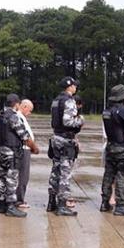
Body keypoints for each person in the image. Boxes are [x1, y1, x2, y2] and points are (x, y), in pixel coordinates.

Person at [0, 94, 39, 217]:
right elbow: (24, 136)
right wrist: (34, 148)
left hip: (1, 152)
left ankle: (2, 205)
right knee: (11, 180)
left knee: (2, 179)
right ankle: (11, 206)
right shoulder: (13, 117)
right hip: (12, 152)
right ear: (17, 104)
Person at [100, 85, 124, 216]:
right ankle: (120, 205)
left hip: (110, 145)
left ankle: (105, 202)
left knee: (108, 175)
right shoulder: (123, 110)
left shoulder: (106, 111)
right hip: (122, 147)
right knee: (122, 176)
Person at [47, 76, 84, 216]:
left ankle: (52, 202)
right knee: (65, 173)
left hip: (56, 137)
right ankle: (62, 204)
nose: (76, 88)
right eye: (74, 85)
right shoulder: (69, 100)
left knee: (55, 171)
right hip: (65, 139)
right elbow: (68, 121)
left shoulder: (56, 101)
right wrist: (80, 120)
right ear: (69, 86)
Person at [16, 99, 35, 208]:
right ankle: (19, 200)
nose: (30, 113)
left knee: (23, 175)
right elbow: (24, 136)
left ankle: (19, 198)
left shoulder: (21, 117)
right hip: (23, 149)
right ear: (24, 107)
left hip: (25, 148)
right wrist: (33, 147)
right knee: (23, 175)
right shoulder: (18, 117)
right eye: (30, 110)